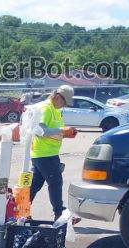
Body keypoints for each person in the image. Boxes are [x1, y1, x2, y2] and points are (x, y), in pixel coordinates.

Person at [29, 84, 78, 220]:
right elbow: (41, 131)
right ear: (57, 97)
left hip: (46, 154)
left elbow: (53, 132)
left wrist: (66, 133)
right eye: (64, 102)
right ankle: (59, 213)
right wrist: (62, 131)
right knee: (55, 183)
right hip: (44, 154)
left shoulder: (55, 110)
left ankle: (21, 211)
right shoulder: (46, 109)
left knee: (35, 185)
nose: (64, 105)